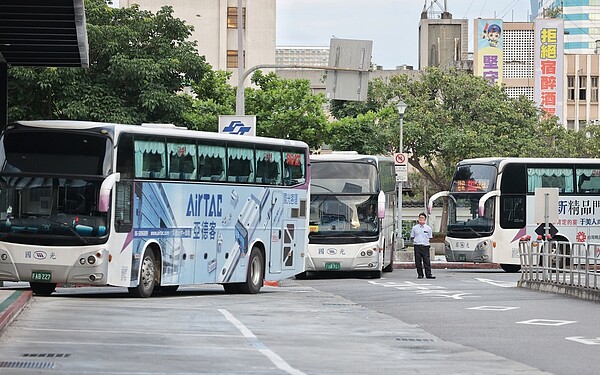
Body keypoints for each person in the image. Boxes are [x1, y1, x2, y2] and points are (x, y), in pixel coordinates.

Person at [410, 212, 435, 279]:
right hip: (417, 246)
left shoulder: (428, 228)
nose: (421, 219)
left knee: (426, 261)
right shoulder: (414, 228)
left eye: (422, 218)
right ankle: (420, 274)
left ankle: (428, 274)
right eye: (420, 218)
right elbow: (412, 236)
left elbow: (430, 237)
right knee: (418, 261)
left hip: (425, 246)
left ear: (425, 219)